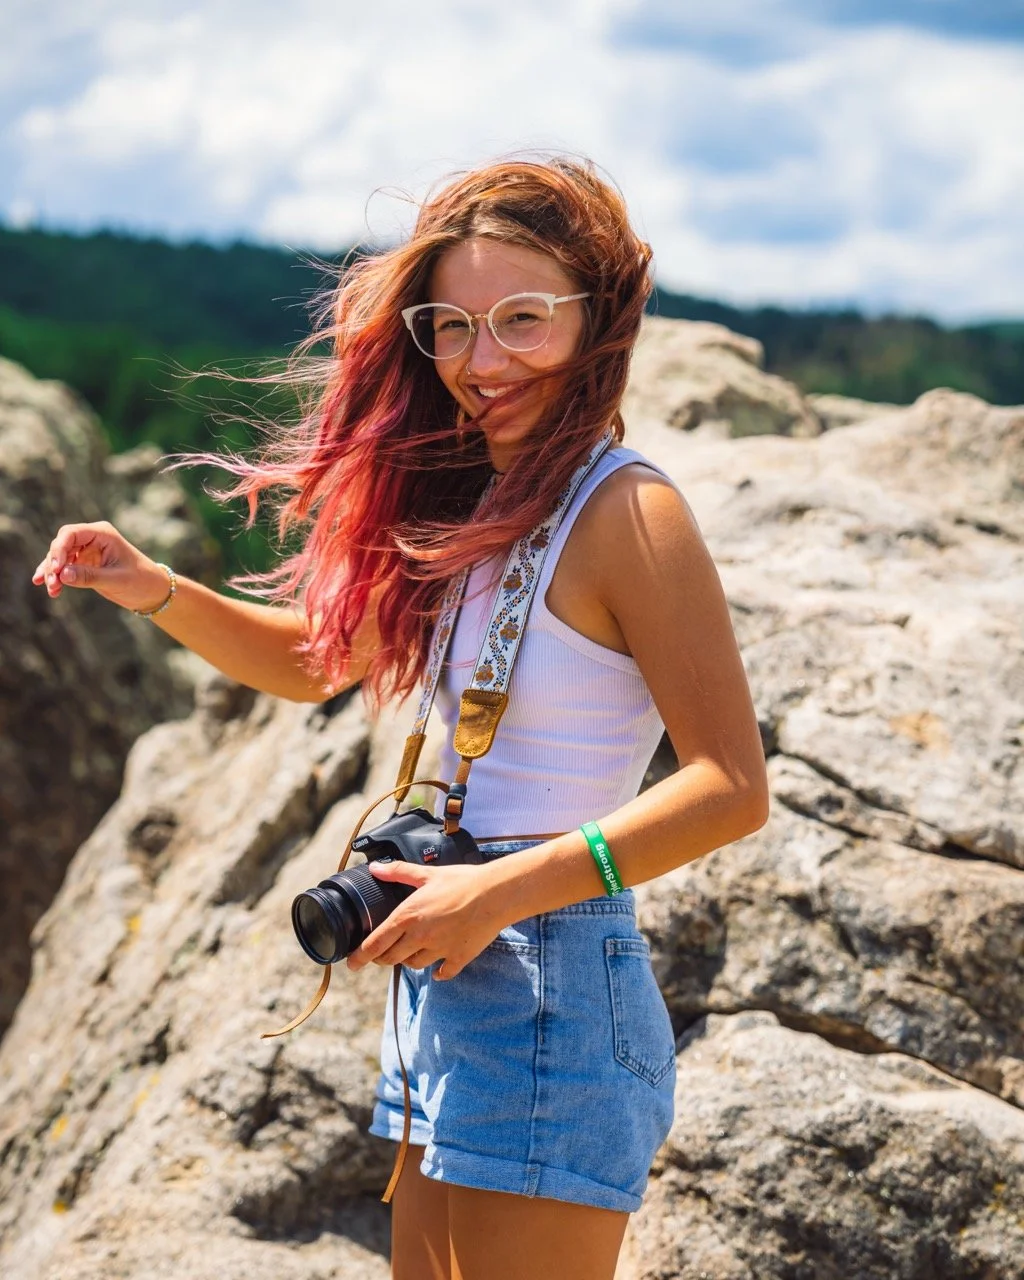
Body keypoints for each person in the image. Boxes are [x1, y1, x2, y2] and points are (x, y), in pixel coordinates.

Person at [31, 157, 769, 1280]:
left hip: (548, 962)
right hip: (450, 953)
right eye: (452, 326)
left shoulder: (631, 511)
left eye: (523, 320)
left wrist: (495, 891)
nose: (483, 362)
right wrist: (155, 587)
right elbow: (314, 660)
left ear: (598, 317)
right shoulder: (471, 496)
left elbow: (730, 787)